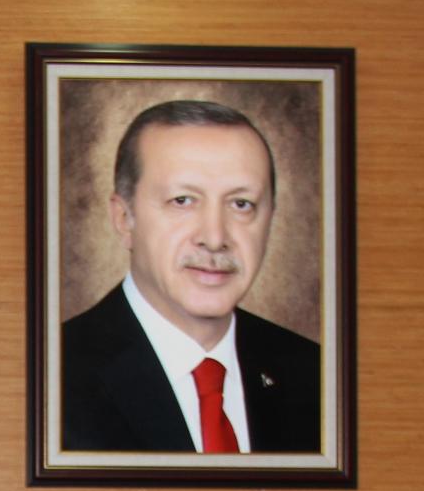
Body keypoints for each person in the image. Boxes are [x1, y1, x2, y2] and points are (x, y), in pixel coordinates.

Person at [60, 98, 323, 455]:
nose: (214, 238)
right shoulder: (53, 376)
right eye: (183, 200)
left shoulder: (317, 376)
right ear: (124, 219)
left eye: (241, 204)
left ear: (270, 219)